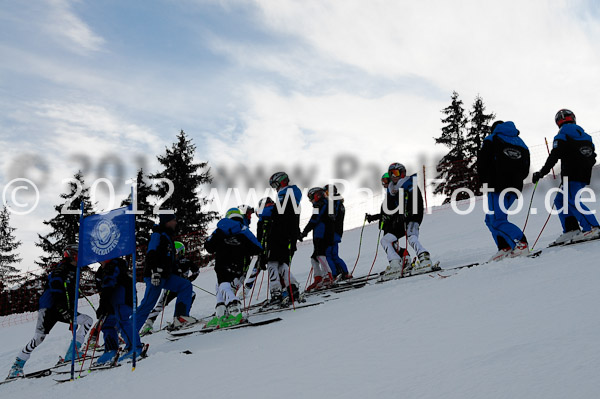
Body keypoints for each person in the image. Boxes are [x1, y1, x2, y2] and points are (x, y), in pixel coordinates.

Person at [6, 244, 93, 379]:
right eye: (77, 255)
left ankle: (72, 353)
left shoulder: (74, 271)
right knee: (38, 338)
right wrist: (62, 308)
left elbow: (69, 294)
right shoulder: (61, 270)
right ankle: (16, 367)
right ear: (71, 255)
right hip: (49, 308)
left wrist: (69, 310)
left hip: (62, 309)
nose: (80, 258)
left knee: (87, 321)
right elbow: (55, 288)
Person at [533, 109, 599, 244]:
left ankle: (592, 227)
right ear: (573, 118)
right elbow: (592, 156)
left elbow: (554, 156)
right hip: (583, 174)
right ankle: (571, 230)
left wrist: (541, 172)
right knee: (560, 200)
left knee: (572, 200)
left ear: (558, 122)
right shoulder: (586, 136)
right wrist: (584, 166)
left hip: (571, 174)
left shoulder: (562, 135)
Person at [478, 120, 531, 260]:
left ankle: (521, 243)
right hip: (515, 188)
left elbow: (482, 161)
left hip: (496, 186)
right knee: (491, 218)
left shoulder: (492, 138)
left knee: (496, 220)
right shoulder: (521, 142)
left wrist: (485, 180)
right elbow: (526, 169)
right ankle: (505, 247)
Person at [136, 213, 195, 335]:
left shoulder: (168, 237)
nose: (175, 223)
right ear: (167, 221)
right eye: (173, 220)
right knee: (148, 305)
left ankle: (181, 317)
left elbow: (169, 259)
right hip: (155, 275)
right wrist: (154, 272)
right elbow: (151, 253)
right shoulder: (158, 235)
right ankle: (129, 332)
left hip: (166, 276)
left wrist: (176, 271)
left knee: (185, 285)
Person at [204, 208, 262, 327]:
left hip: (222, 262)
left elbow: (209, 247)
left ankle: (234, 310)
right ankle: (221, 313)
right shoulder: (243, 229)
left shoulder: (219, 229)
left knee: (222, 285)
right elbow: (258, 248)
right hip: (239, 264)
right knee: (223, 286)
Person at [381, 163, 438, 278]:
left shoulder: (410, 183)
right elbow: (390, 207)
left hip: (413, 216)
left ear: (402, 174)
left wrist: (409, 213)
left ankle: (424, 258)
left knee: (411, 236)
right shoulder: (391, 189)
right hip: (400, 220)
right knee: (386, 240)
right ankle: (395, 263)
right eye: (391, 174)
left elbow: (416, 200)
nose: (393, 176)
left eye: (396, 173)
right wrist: (386, 216)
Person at [140, 241, 200, 336]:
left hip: (173, 287)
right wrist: (189, 279)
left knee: (160, 305)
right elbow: (196, 272)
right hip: (175, 288)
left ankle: (181, 317)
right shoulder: (185, 261)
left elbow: (195, 271)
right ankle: (182, 316)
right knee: (189, 296)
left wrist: (187, 280)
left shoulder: (173, 261)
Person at [94, 257, 141, 365]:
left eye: (100, 259)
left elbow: (108, 285)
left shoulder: (114, 265)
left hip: (122, 298)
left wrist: (103, 304)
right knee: (107, 323)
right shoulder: (102, 270)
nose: (99, 261)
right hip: (113, 301)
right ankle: (111, 350)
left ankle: (135, 347)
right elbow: (103, 290)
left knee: (122, 321)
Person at [266, 172, 303, 304]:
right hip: (288, 235)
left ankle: (277, 292)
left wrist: (267, 216)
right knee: (283, 263)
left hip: (279, 234)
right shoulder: (295, 197)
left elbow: (278, 215)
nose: (275, 189)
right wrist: (296, 233)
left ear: (281, 182)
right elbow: (293, 218)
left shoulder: (285, 194)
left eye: (275, 185)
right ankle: (292, 288)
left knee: (272, 262)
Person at [300, 187, 335, 291]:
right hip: (321, 234)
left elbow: (314, 219)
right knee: (314, 258)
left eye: (311, 197)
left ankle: (328, 277)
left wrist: (305, 232)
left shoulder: (319, 204)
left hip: (322, 234)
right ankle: (318, 278)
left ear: (317, 195)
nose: (311, 200)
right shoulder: (326, 204)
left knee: (320, 256)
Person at [243, 198, 274, 296]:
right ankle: (289, 287)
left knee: (258, 267)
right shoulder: (277, 213)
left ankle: (245, 291)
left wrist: (259, 250)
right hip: (278, 246)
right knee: (278, 267)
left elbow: (260, 238)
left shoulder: (262, 219)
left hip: (266, 248)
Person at [323, 184, 351, 280]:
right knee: (334, 255)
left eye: (327, 193)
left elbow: (332, 216)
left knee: (328, 255)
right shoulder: (338, 201)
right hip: (337, 231)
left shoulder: (333, 201)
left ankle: (335, 274)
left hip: (332, 232)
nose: (326, 195)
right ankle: (344, 273)